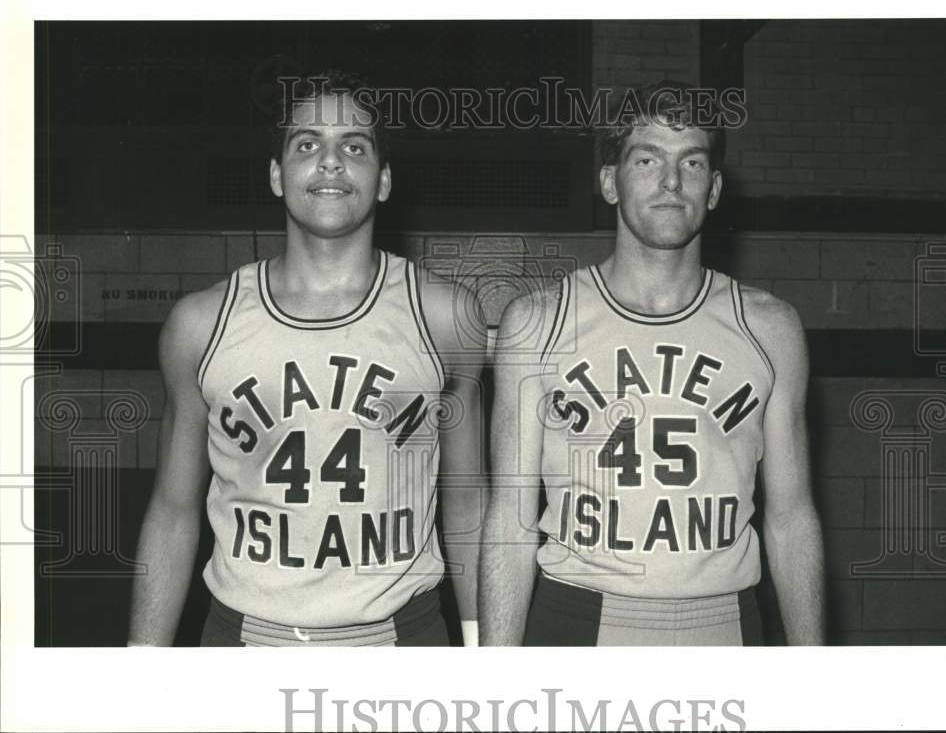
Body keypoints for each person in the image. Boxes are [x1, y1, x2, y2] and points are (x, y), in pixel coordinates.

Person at [129, 70, 486, 647]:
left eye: (354, 146)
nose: (330, 161)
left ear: (385, 179)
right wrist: (141, 661)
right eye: (306, 144)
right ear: (277, 175)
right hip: (242, 637)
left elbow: (467, 501)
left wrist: (483, 653)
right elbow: (172, 510)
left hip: (403, 637)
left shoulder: (446, 317)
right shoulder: (200, 325)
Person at [479, 82, 825, 646]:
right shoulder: (537, 321)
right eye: (647, 159)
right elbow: (510, 521)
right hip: (576, 621)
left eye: (691, 161)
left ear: (713, 190)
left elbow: (791, 518)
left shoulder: (770, 327)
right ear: (610, 182)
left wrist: (815, 672)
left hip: (727, 625)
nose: (671, 181)